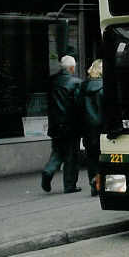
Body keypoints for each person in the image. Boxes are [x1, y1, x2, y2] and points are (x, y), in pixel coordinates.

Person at [42, 55, 82, 193]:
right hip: (70, 125)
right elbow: (78, 105)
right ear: (71, 68)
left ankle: (48, 170)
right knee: (71, 156)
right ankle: (69, 185)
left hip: (55, 124)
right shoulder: (76, 82)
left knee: (58, 151)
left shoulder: (52, 81)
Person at [78, 59, 104, 196]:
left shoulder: (82, 87)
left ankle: (93, 183)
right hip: (102, 128)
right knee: (102, 156)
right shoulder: (104, 87)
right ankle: (99, 182)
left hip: (87, 129)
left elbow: (78, 108)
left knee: (91, 157)